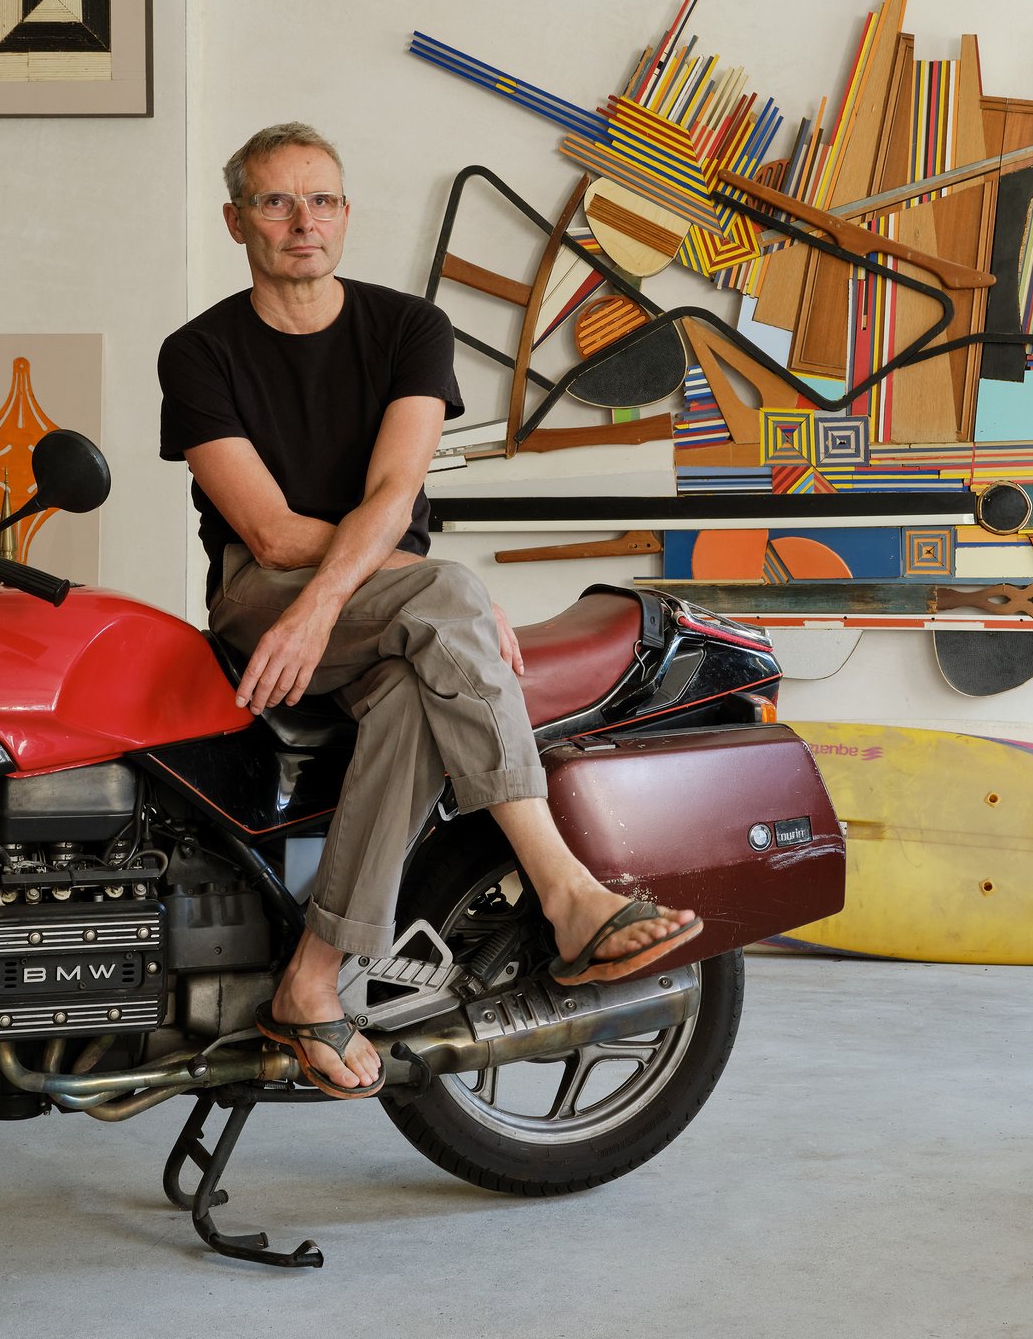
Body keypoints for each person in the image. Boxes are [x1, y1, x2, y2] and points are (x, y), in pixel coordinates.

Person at [157, 121, 698, 1098]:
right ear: (237, 221)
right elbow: (270, 532)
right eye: (276, 202)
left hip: (380, 595)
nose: (302, 221)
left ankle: (311, 981)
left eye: (322, 200)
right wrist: (363, 599)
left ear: (346, 215)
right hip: (260, 598)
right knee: (444, 588)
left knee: (413, 691)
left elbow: (394, 491)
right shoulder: (198, 351)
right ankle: (567, 890)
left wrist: (365, 595)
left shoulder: (409, 328)